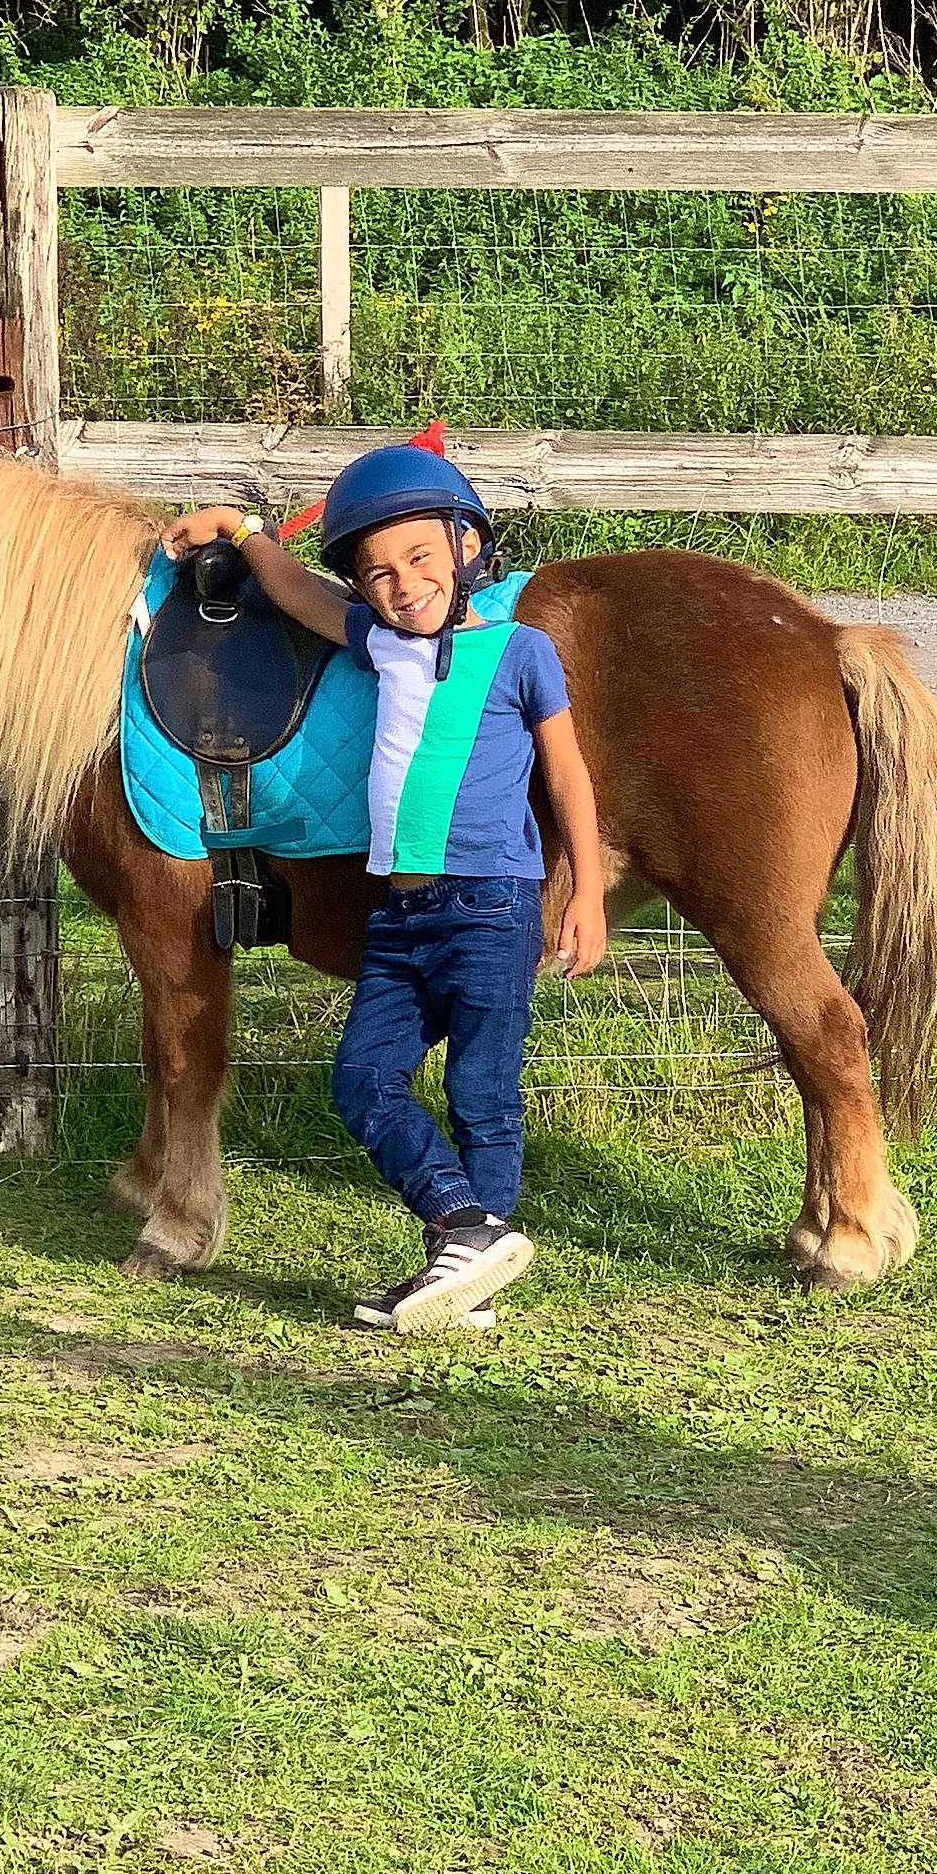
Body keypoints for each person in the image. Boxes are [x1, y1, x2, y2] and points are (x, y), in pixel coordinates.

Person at [163, 444, 606, 1334]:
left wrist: (587, 891)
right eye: (379, 575)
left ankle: (465, 1268)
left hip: (492, 905)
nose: (404, 586)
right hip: (401, 914)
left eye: (420, 560)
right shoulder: (378, 642)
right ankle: (468, 1236)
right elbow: (296, 594)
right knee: (363, 1080)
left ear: (468, 549)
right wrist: (241, 530)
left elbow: (567, 779)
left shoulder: (524, 653)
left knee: (484, 1093)